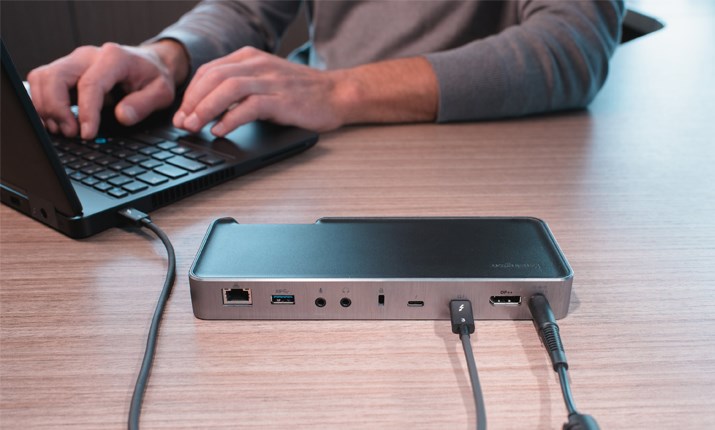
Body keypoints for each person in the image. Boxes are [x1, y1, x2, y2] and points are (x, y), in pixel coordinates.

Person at [27, 0, 624, 140]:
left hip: (471, 154)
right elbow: (247, 8)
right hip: (310, 142)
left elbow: (571, 44)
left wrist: (340, 90)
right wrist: (165, 55)